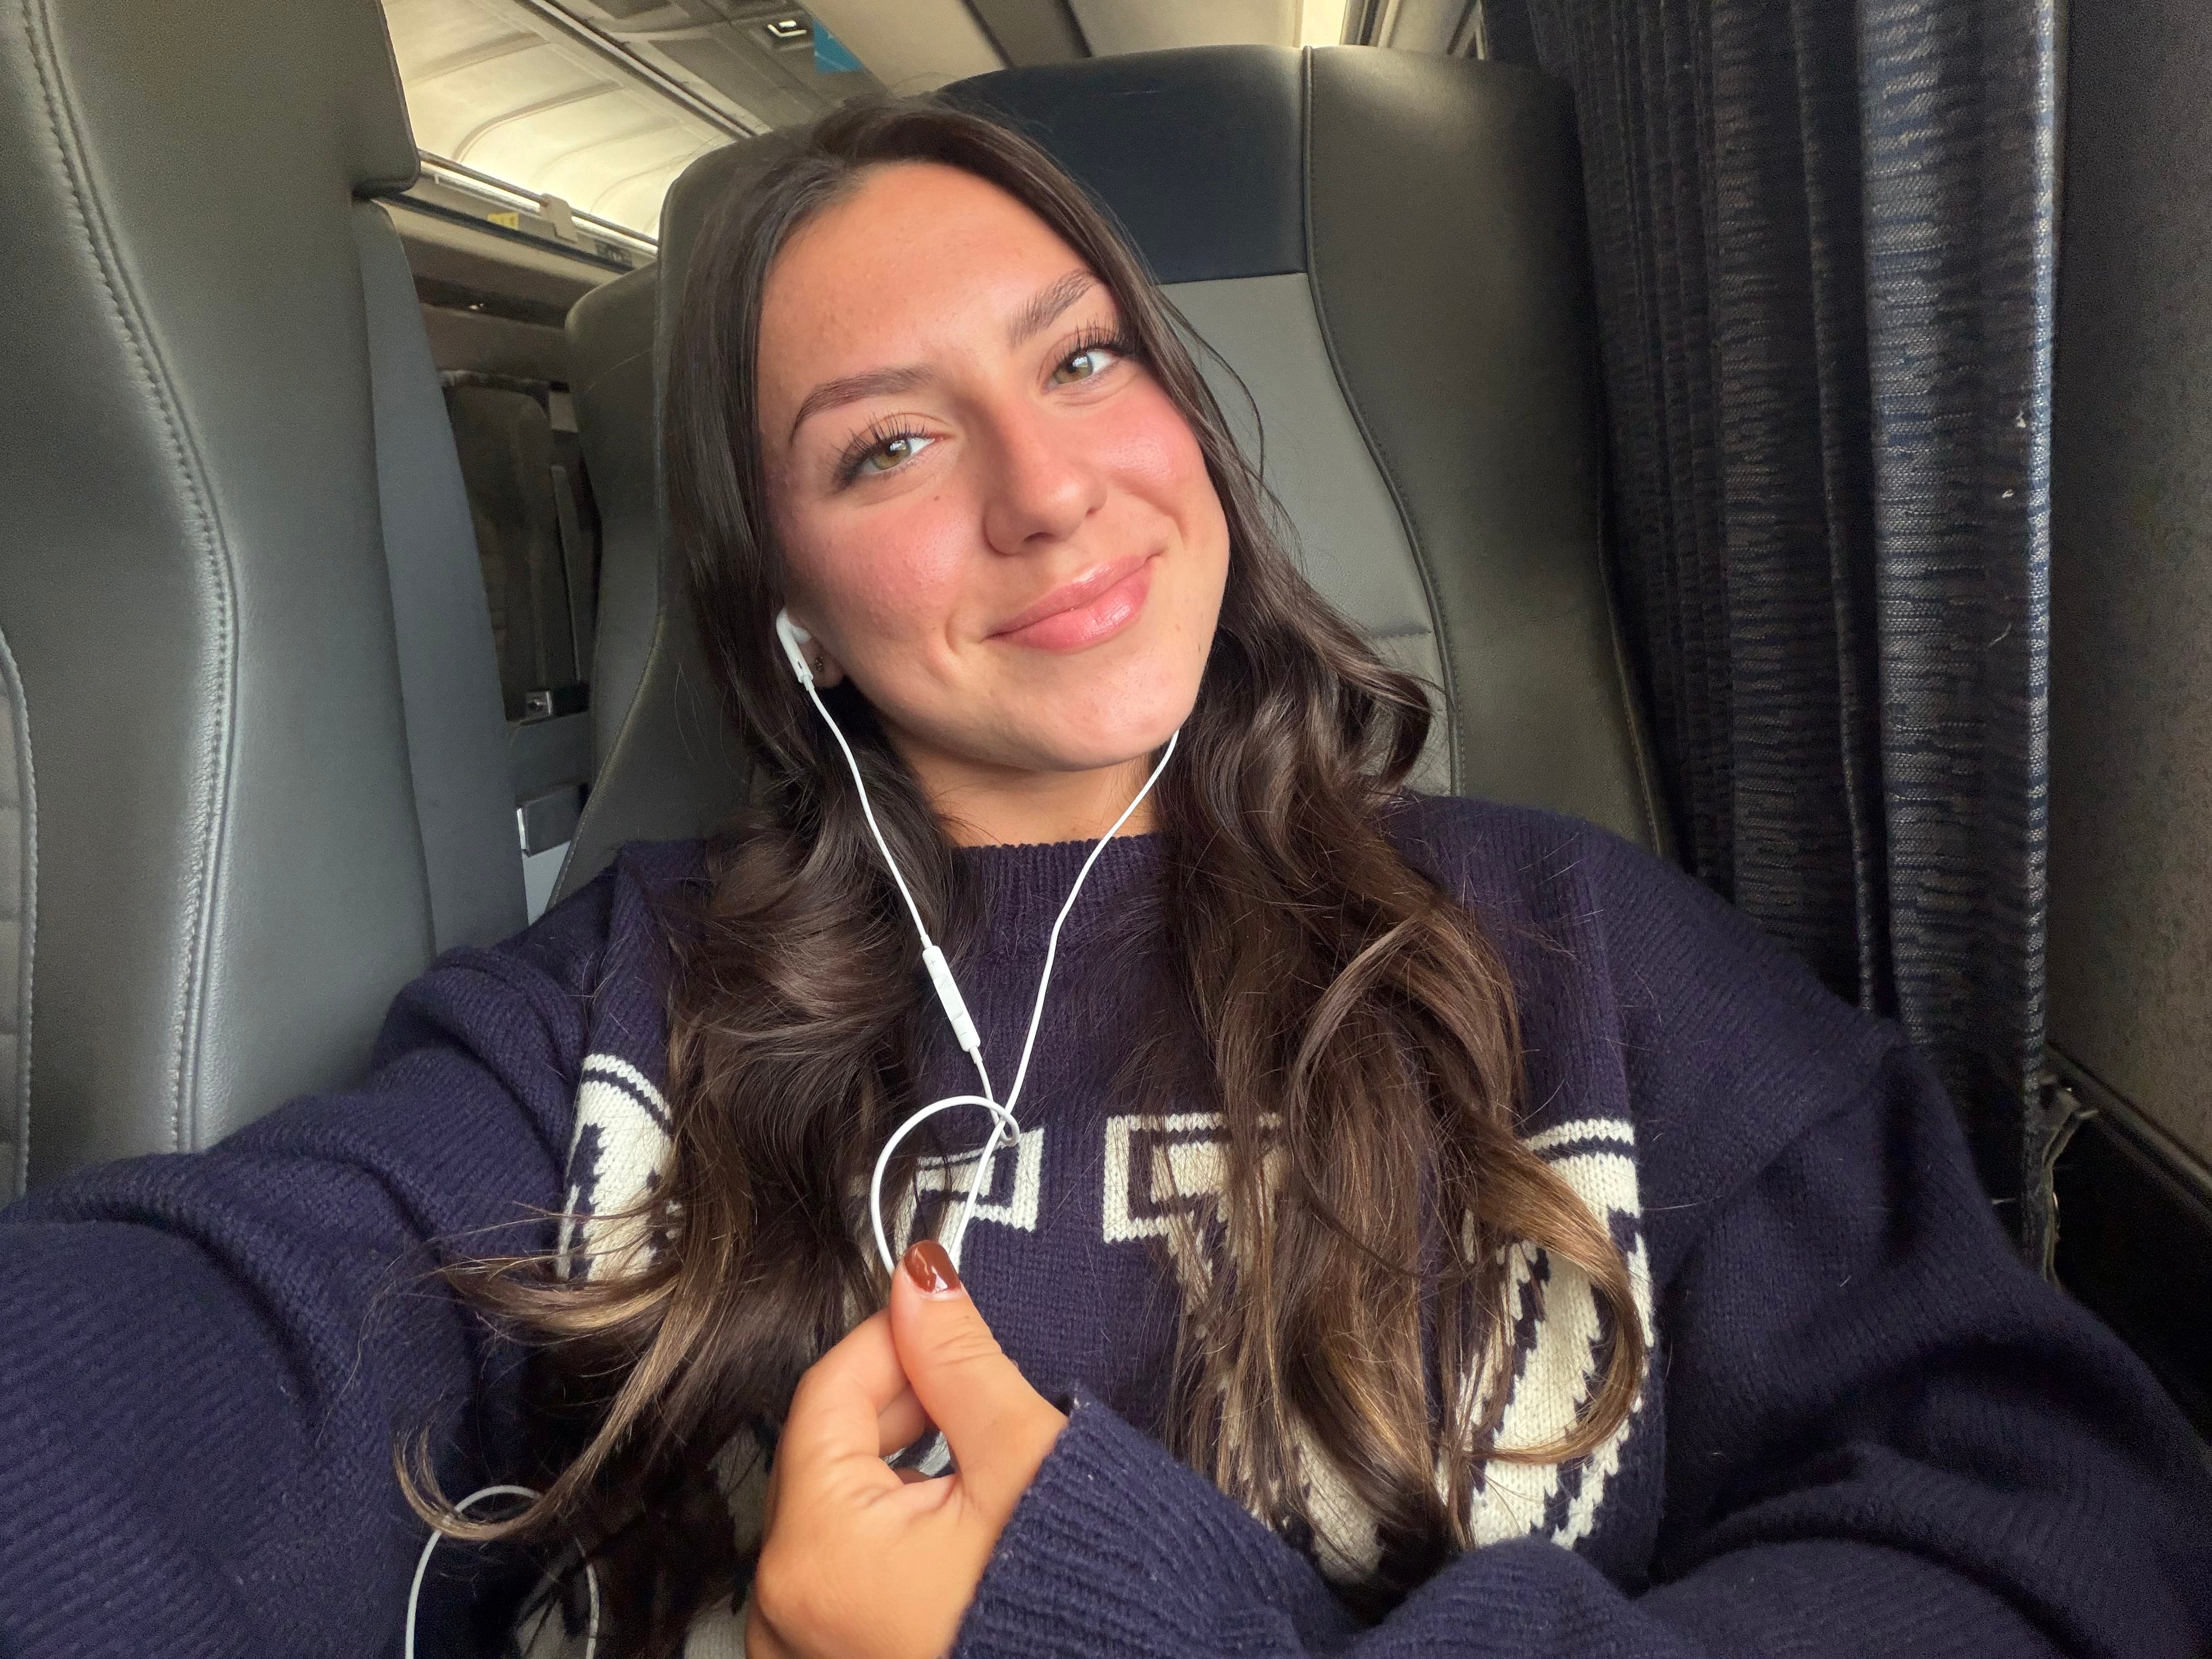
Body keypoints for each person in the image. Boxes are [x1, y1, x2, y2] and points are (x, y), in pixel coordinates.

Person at [0, 98, 2205, 1659]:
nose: (1049, 489)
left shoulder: (1578, 949)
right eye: (889, 443)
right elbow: (197, 1364)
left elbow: (2059, 1543)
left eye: (1082, 357)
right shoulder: (615, 1010)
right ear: (786, 603)